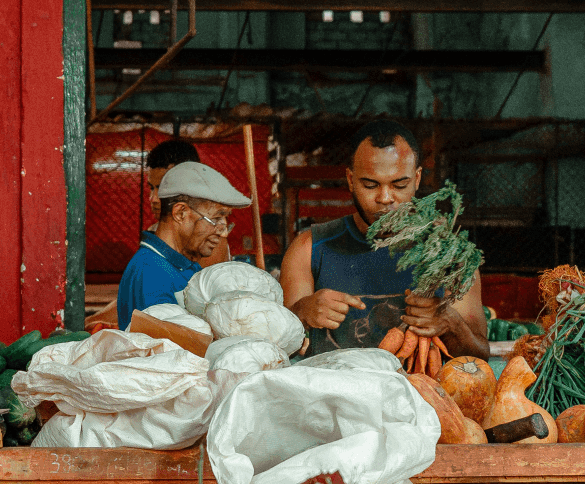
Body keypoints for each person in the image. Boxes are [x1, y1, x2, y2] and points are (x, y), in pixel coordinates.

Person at [278, 120, 488, 358]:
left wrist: (452, 323)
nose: (385, 198)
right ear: (350, 180)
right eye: (370, 185)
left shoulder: (453, 255)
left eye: (399, 184)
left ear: (417, 179)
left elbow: (480, 356)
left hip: (420, 394)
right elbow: (276, 348)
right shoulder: (309, 248)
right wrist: (301, 312)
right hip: (332, 393)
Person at [110, 162, 248, 330]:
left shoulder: (185, 265)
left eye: (225, 221)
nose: (223, 232)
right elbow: (167, 349)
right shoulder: (152, 273)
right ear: (180, 213)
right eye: (216, 219)